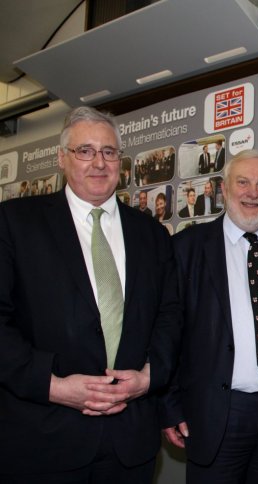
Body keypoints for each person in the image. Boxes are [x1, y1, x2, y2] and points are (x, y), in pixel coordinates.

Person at [0, 106, 181, 483]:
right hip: (43, 438)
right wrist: (53, 387)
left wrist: (150, 377)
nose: (99, 162)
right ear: (62, 158)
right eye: (85, 151)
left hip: (130, 442)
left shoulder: (150, 234)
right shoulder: (14, 224)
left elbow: (170, 314)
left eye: (109, 152)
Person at [161, 149, 258, 483]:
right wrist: (170, 406)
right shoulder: (186, 248)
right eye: (243, 182)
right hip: (216, 413)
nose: (253, 193)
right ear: (224, 189)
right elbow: (166, 333)